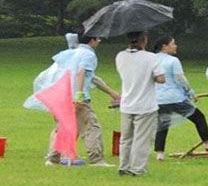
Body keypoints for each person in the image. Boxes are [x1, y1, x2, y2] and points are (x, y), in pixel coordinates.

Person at [45, 34, 118, 167]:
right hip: (77, 97)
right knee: (92, 127)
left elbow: (92, 78)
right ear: (92, 40)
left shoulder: (73, 53)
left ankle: (52, 159)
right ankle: (96, 160)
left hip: (62, 95)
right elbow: (81, 73)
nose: (99, 41)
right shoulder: (88, 55)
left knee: (63, 127)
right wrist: (79, 96)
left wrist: (112, 92)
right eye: (98, 38)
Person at [152, 35, 208, 160]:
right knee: (199, 118)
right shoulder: (173, 61)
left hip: (158, 99)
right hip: (175, 98)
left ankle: (160, 154)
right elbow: (180, 79)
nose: (175, 46)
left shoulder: (152, 59)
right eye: (173, 43)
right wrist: (190, 92)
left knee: (163, 124)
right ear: (164, 46)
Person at [116, 31, 165, 176]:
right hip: (145, 104)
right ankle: (137, 169)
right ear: (143, 40)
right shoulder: (151, 57)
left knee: (126, 138)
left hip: (127, 103)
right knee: (141, 139)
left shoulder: (120, 56)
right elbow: (161, 78)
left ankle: (123, 166)